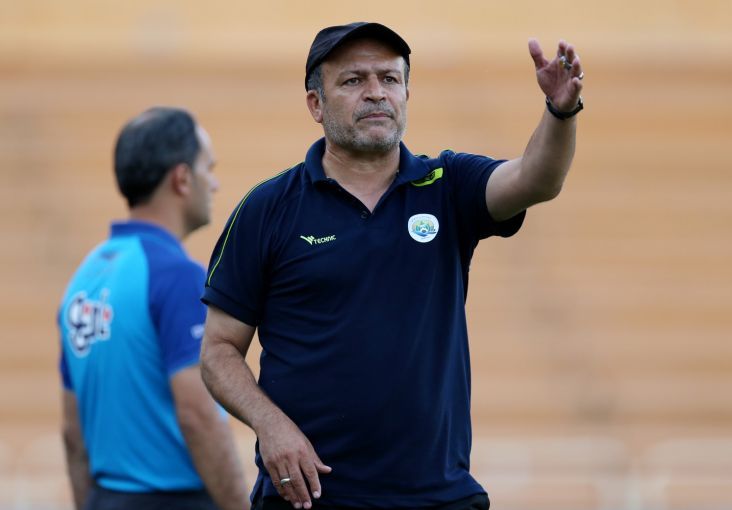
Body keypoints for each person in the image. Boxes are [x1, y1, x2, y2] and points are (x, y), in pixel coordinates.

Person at [200, 22, 583, 510]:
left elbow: (536, 179)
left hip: (437, 496)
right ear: (316, 104)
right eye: (353, 80)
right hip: (310, 496)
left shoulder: (448, 185)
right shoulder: (268, 208)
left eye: (389, 78)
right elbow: (217, 351)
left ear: (406, 93)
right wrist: (269, 424)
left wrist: (560, 112)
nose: (376, 92)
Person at [57, 107, 250, 510]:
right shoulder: (176, 276)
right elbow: (198, 417)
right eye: (208, 169)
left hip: (104, 498)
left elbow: (73, 435)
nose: (214, 183)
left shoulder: (85, 278)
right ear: (182, 178)